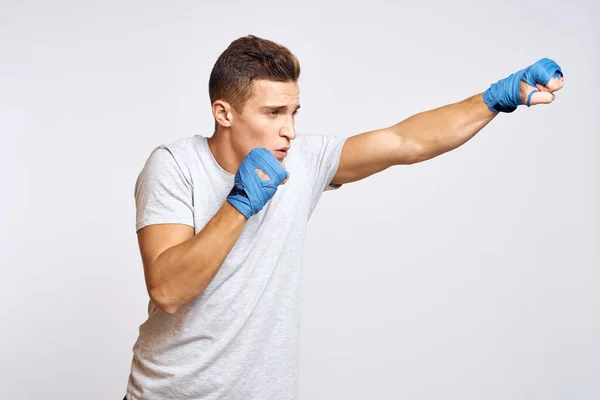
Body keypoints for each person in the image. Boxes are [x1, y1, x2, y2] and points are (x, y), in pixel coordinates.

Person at [123, 35, 564, 400]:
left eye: (293, 113)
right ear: (224, 113)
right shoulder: (176, 165)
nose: (289, 131)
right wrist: (239, 204)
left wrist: (495, 98)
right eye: (273, 113)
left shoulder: (301, 161)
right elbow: (169, 290)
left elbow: (404, 141)